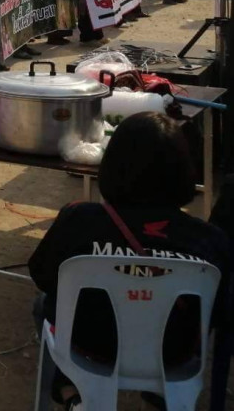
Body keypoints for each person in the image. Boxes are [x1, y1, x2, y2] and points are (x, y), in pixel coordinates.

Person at [28, 113, 230, 410]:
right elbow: (220, 312)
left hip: (89, 347)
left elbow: (42, 275)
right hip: (173, 355)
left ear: (112, 165)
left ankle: (72, 393)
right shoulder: (209, 240)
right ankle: (162, 397)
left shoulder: (79, 219)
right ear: (185, 171)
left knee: (43, 304)